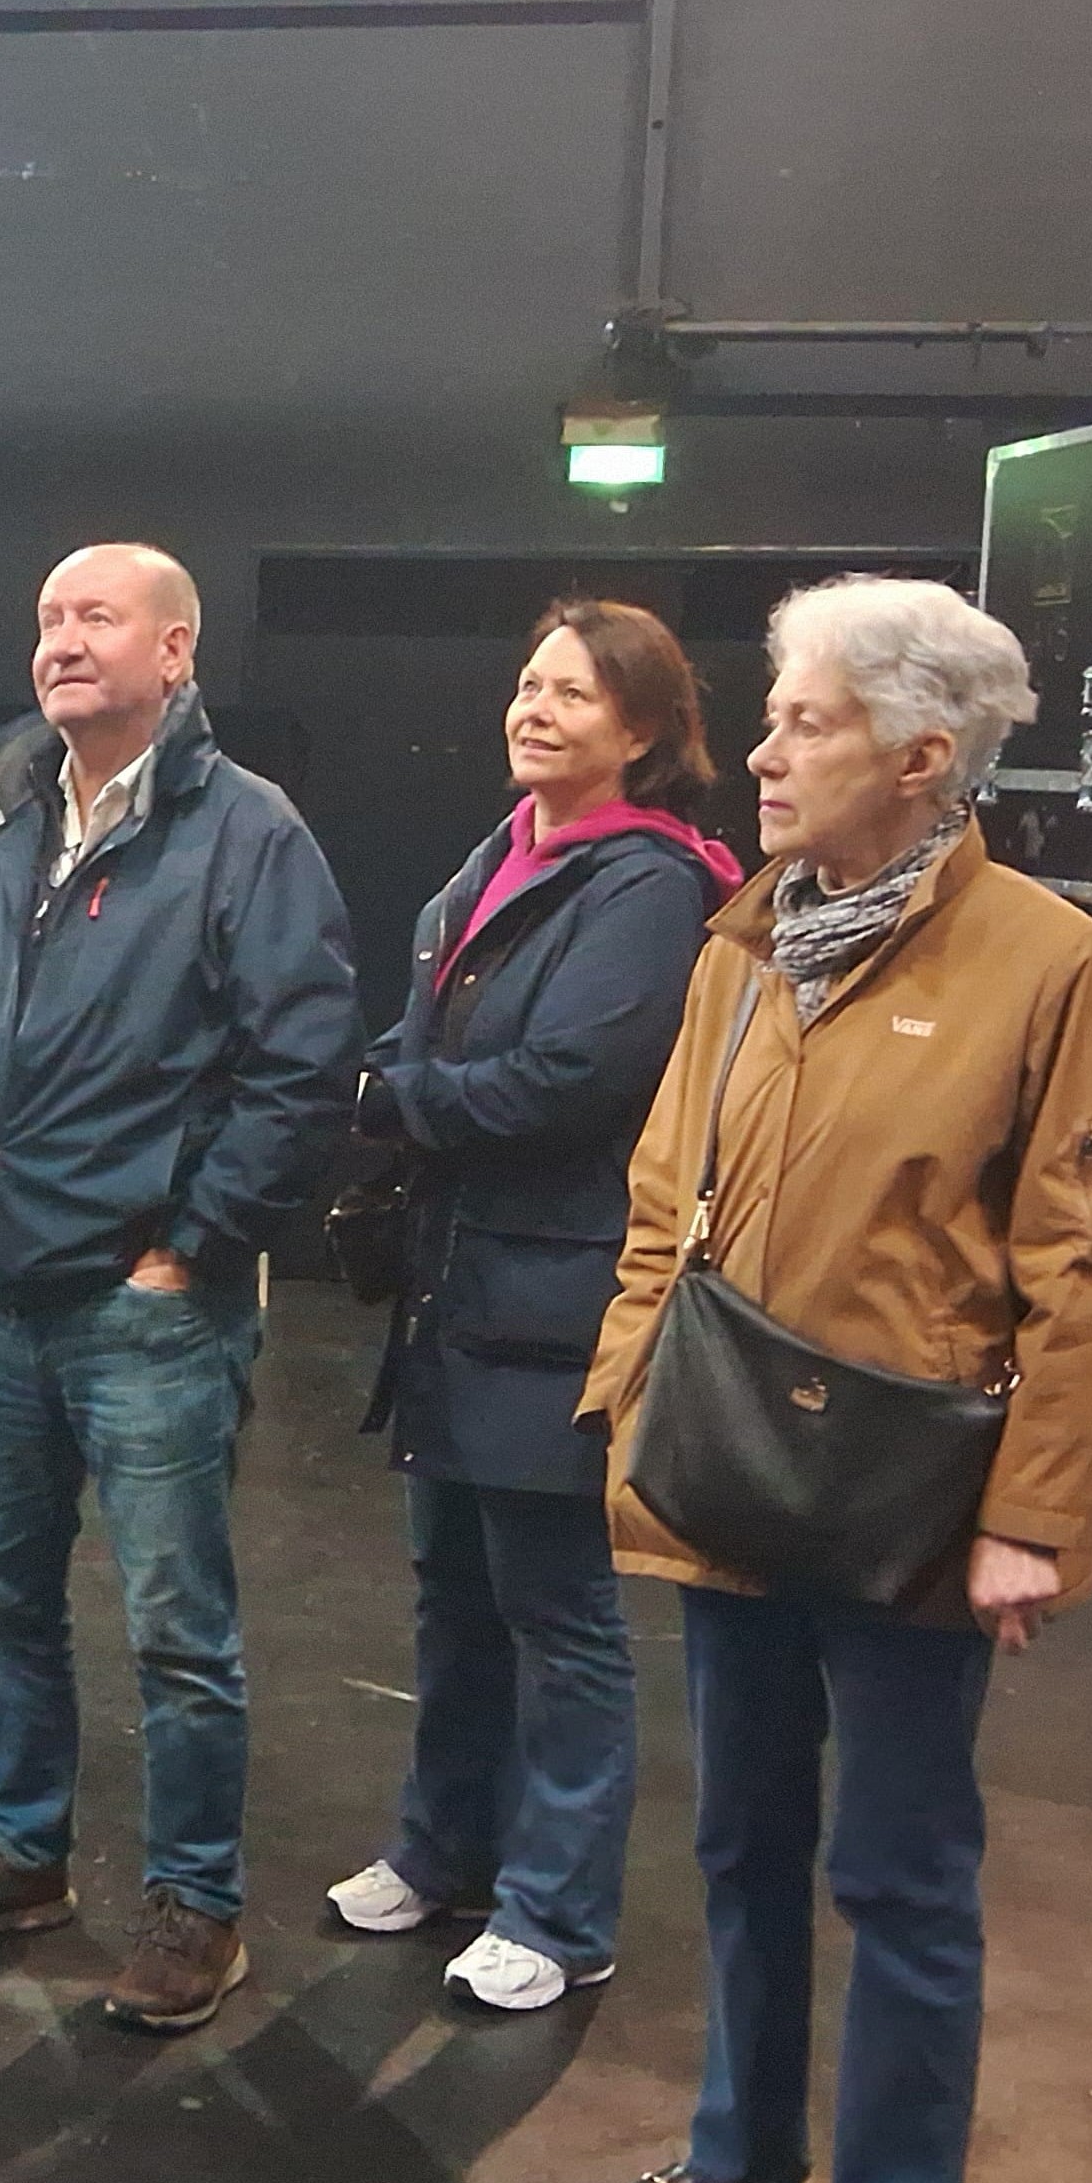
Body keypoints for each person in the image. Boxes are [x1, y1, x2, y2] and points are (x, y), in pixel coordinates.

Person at [550, 574, 1092, 2183]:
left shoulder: (1049, 964)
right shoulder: (745, 941)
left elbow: (1082, 1261)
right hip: (728, 1463)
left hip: (909, 1497)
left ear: (922, 756)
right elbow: (668, 1196)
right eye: (775, 719)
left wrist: (1033, 1518)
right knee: (738, 1842)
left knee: (898, 1870)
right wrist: (629, 1396)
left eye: (805, 722)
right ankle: (741, 2165)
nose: (766, 755)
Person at [0, 543, 358, 2030]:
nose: (62, 640)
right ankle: (25, 1854)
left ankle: (197, 1907)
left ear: (176, 652)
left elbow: (301, 1068)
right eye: (47, 618)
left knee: (176, 1628)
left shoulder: (248, 832)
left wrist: (196, 1245)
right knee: (0, 1590)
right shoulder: (7, 816)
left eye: (97, 616)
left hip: (141, 1303)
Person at [330, 602, 745, 2011]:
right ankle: (442, 1852)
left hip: (558, 1296)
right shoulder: (497, 859)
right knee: (453, 1593)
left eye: (573, 693)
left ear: (644, 729)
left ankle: (561, 1916)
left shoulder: (654, 886)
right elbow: (421, 1033)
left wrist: (397, 1103)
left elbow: (579, 1079)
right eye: (527, 685)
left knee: (559, 1616)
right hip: (458, 1290)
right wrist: (385, 1080)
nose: (536, 709)